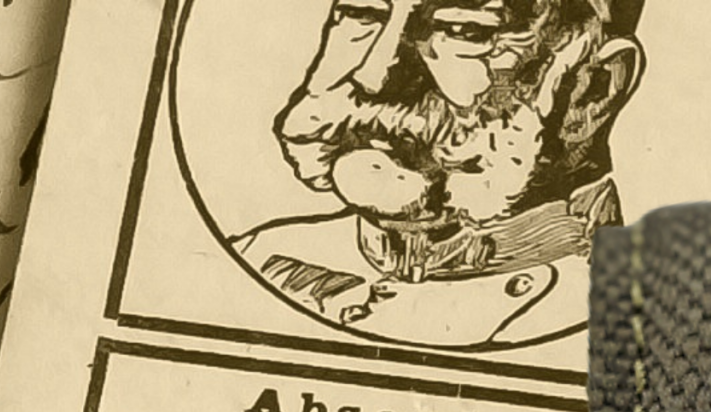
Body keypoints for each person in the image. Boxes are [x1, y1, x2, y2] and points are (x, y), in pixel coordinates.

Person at [235, 0, 645, 348]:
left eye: (465, 31)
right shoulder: (258, 258)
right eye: (362, 13)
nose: (374, 76)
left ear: (595, 90)